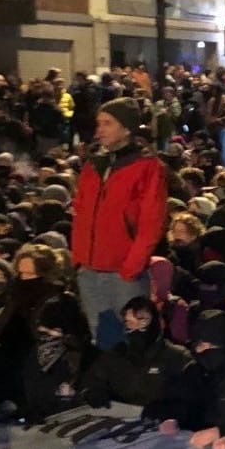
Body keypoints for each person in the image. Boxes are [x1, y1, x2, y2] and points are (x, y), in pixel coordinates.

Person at [71, 98, 168, 349]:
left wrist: (131, 266)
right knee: (103, 342)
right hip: (90, 270)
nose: (99, 130)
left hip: (123, 272)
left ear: (126, 128)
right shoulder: (94, 165)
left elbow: (151, 222)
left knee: (133, 342)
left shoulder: (146, 167)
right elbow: (80, 211)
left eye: (107, 123)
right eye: (98, 123)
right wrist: (80, 259)